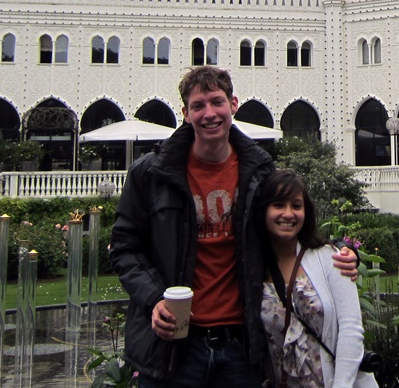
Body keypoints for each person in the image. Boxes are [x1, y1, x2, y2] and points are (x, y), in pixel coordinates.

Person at [110, 66, 357, 388]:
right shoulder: (151, 174)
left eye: (217, 102)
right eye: (198, 106)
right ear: (185, 113)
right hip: (175, 348)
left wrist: (341, 251)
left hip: (239, 345)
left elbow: (289, 225)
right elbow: (125, 247)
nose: (209, 114)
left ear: (234, 104)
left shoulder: (258, 172)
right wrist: (155, 299)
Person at [256, 169, 378, 388]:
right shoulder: (255, 269)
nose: (288, 214)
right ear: (263, 210)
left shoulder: (330, 258)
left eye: (296, 206)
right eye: (278, 205)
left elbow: (351, 329)